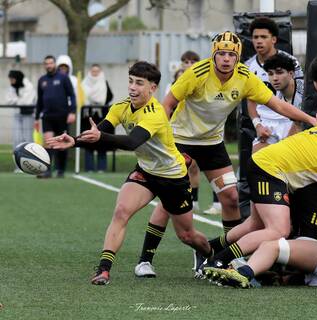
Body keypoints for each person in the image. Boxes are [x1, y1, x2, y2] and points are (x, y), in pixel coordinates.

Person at [135, 31, 316, 278]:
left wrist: (310, 121)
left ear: (238, 57)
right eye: (221, 53)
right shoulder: (197, 73)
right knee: (172, 201)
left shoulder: (244, 77)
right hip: (181, 140)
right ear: (214, 55)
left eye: (231, 54)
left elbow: (278, 105)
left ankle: (227, 255)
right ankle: (146, 259)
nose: (226, 59)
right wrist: (162, 141)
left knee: (230, 198)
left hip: (212, 143)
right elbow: (167, 105)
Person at [46, 61, 213, 285]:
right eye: (131, 81)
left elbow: (132, 141)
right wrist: (74, 141)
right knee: (121, 211)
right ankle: (104, 270)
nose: (133, 87)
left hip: (173, 177)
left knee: (187, 235)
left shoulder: (155, 113)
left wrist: (100, 138)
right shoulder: (121, 107)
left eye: (139, 83)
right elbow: (100, 133)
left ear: (153, 88)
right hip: (145, 172)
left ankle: (213, 255)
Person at [204, 54, 317, 288]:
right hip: (271, 167)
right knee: (278, 229)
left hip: (268, 162)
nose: (275, 77)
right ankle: (219, 261)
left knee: (256, 225)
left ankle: (210, 248)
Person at [246, 17, 304, 153]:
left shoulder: (291, 62)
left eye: (263, 36)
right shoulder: (248, 67)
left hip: (290, 120)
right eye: (255, 37)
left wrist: (296, 124)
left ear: (274, 39)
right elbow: (251, 101)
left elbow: (300, 95)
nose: (259, 41)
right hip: (266, 125)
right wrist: (258, 125)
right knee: (257, 165)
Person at [34, 55, 76, 178]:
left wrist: (72, 112)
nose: (49, 65)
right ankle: (46, 170)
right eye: (46, 63)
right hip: (47, 116)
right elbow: (40, 100)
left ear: (54, 64)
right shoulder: (42, 80)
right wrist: (36, 118)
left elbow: (72, 95)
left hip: (62, 116)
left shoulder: (63, 77)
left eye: (51, 63)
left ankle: (60, 169)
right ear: (44, 65)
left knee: (61, 144)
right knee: (48, 142)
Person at [82, 64, 114, 172]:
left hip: (101, 117)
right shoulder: (84, 83)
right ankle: (89, 167)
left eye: (97, 71)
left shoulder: (104, 83)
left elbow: (109, 96)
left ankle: (102, 167)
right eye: (93, 71)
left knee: (102, 141)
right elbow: (81, 96)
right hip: (88, 117)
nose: (95, 73)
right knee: (88, 141)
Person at [6, 70, 36, 170]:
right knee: (16, 139)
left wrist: (16, 100)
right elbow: (8, 100)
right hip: (17, 114)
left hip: (28, 115)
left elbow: (26, 101)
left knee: (27, 140)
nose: (11, 81)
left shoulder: (28, 86)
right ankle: (18, 166)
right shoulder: (12, 87)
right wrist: (18, 100)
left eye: (12, 79)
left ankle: (30, 165)